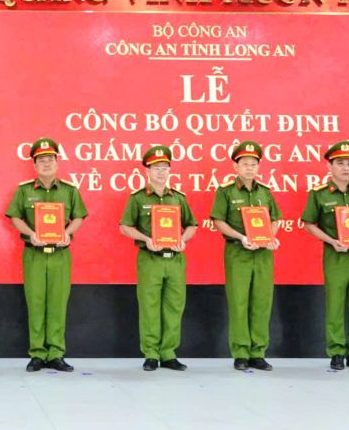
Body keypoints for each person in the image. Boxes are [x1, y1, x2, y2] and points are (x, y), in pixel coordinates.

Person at [6, 138, 87, 372]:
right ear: (34, 164)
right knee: (36, 302)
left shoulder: (69, 190)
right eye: (41, 160)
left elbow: (79, 217)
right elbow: (14, 217)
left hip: (61, 254)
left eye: (50, 159)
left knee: (58, 303)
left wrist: (67, 233)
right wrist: (31, 233)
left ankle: (56, 353)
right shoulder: (24, 191)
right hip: (35, 254)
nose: (46, 163)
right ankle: (37, 353)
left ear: (57, 162)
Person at [302, 140, 349, 371]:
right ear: (330, 167)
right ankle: (336, 352)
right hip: (336, 255)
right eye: (340, 163)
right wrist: (331, 241)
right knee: (335, 303)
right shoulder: (319, 194)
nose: (346, 168)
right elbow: (308, 223)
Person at [119, 145, 197, 372]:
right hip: (150, 258)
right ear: (147, 170)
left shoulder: (178, 198)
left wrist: (184, 239)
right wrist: (145, 238)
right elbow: (125, 226)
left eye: (165, 167)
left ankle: (169, 353)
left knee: (174, 306)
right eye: (156, 168)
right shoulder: (138, 198)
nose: (161, 172)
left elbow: (192, 224)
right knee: (149, 305)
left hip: (175, 258)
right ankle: (151, 353)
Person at [209, 140, 282, 371]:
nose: (249, 167)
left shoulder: (265, 192)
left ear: (258, 167)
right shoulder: (226, 192)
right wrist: (241, 237)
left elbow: (276, 218)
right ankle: (241, 352)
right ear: (236, 167)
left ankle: (258, 352)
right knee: (239, 302)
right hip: (237, 252)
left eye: (253, 163)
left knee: (262, 302)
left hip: (262, 254)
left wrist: (270, 236)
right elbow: (218, 221)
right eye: (245, 163)